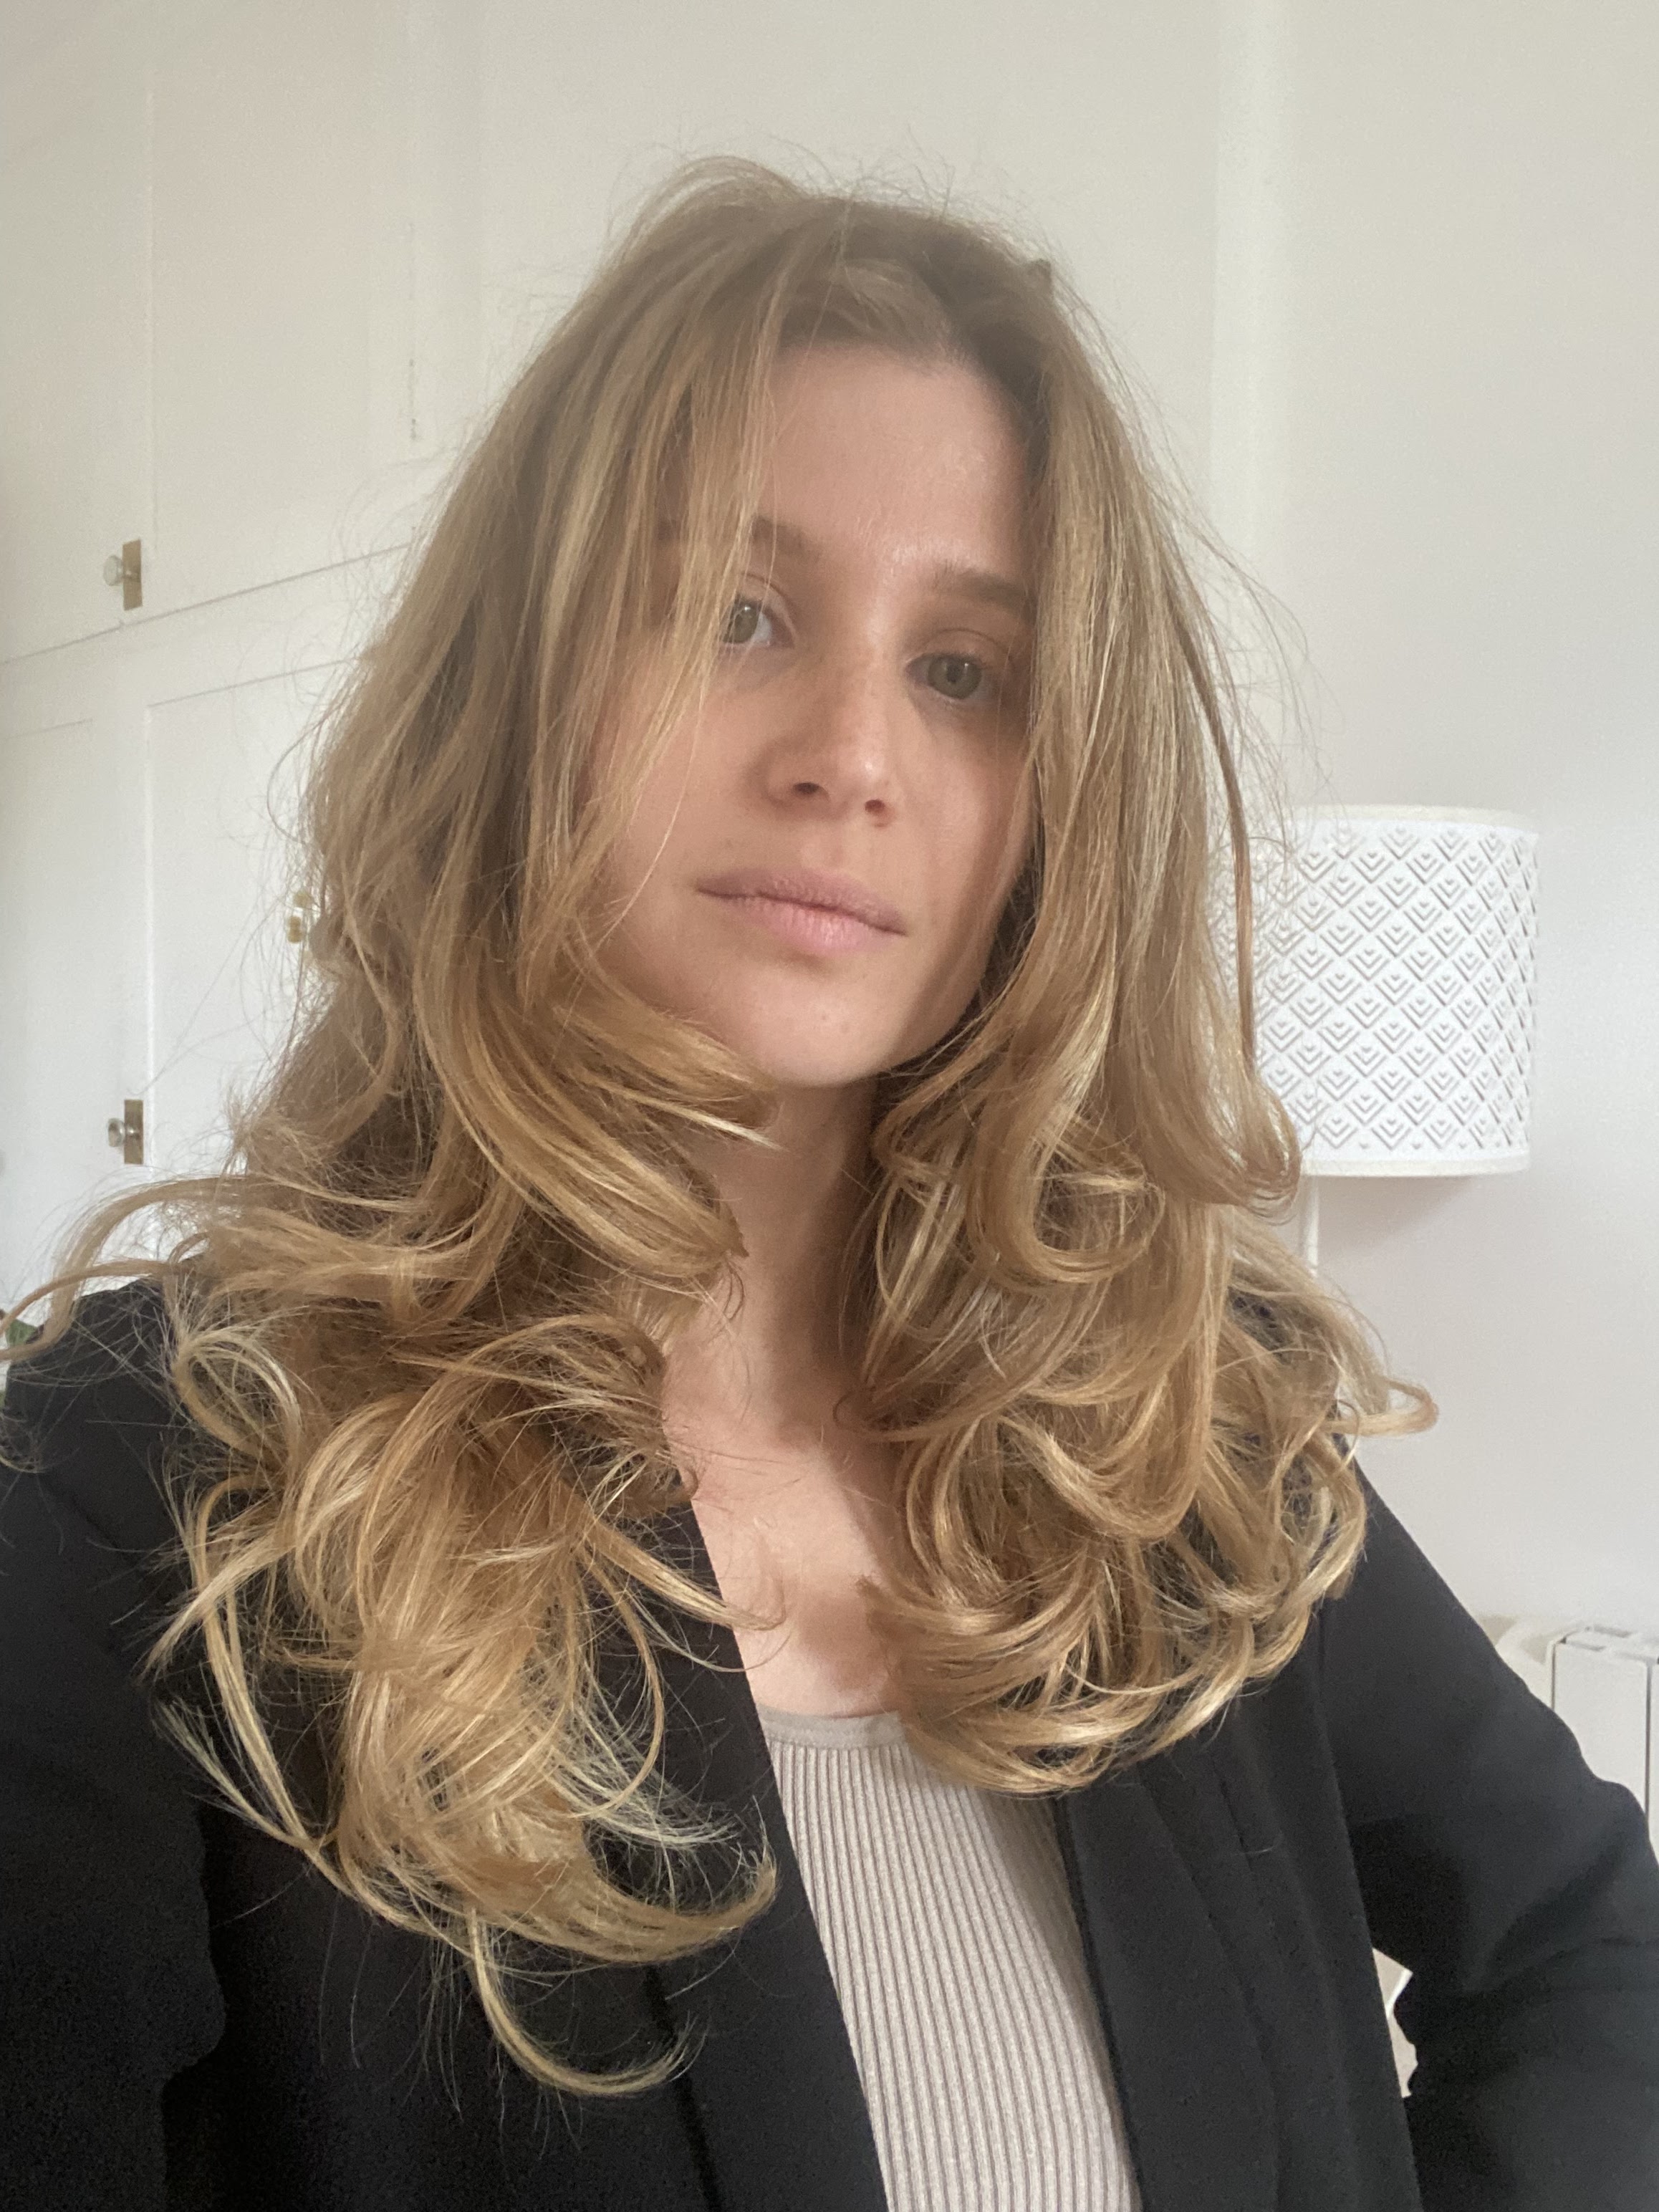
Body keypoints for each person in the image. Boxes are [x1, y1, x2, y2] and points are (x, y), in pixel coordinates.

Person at [1, 160, 1655, 2212]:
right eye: (736, 613)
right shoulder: (140, 1492)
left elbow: (1589, 1945)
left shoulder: (1177, 1428)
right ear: (514, 692)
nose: (850, 754)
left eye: (965, 670)